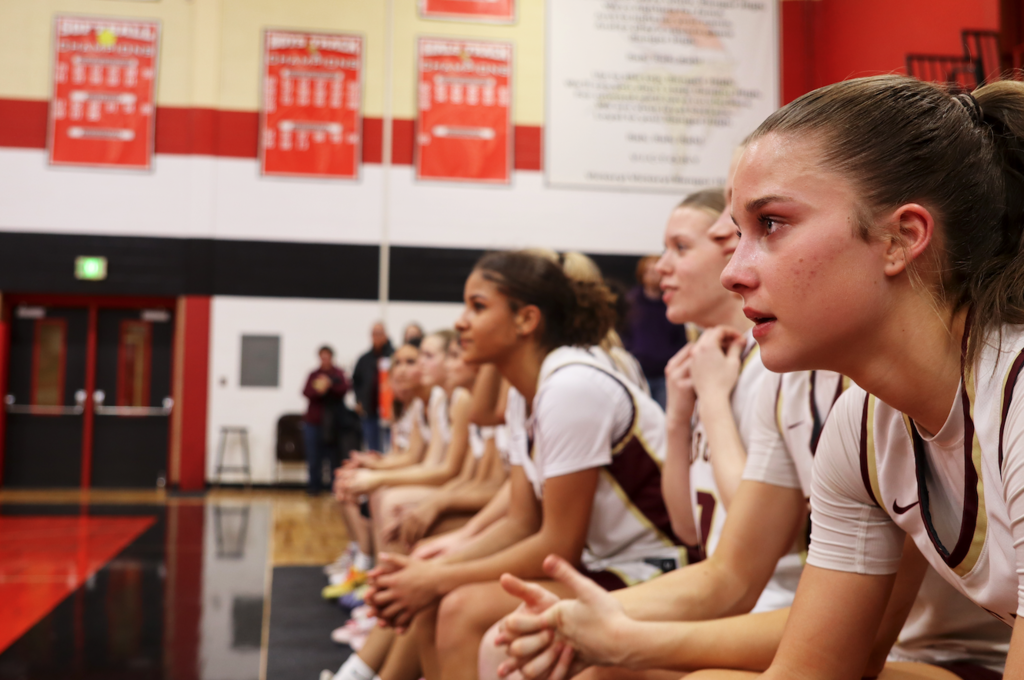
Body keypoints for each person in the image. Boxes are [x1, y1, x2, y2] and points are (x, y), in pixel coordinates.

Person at [706, 75, 1024, 679]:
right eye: (736, 232)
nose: (733, 273)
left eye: (770, 223)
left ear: (901, 239)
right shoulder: (861, 428)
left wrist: (623, 641)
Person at [362, 251, 689, 680]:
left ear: (526, 320)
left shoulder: (570, 386)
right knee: (437, 593)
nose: (461, 321)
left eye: (477, 307)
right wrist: (432, 573)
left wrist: (437, 577)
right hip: (602, 562)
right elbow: (519, 520)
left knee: (459, 605)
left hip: (658, 568)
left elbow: (557, 545)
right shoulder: (523, 393)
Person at [622, 255, 690, 409]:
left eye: (656, 271)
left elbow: (680, 338)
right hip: (637, 372)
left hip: (665, 374)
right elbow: (623, 334)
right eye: (649, 271)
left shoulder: (673, 303)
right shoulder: (631, 302)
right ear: (642, 275)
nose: (654, 275)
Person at [302, 345, 351, 495]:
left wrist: (330, 385)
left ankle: (333, 487)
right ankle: (314, 487)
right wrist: (319, 389)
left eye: (327, 357)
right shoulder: (313, 374)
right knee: (313, 457)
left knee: (333, 457)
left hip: (333, 424)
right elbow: (306, 392)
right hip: (313, 422)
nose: (324, 360)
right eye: (322, 357)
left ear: (331, 357)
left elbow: (345, 388)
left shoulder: (338, 374)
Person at [353, 323, 394, 453]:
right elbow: (356, 381)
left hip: (390, 411)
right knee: (373, 449)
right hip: (370, 411)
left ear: (386, 335)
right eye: (374, 334)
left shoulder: (394, 356)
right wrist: (359, 401)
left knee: (390, 448)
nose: (377, 337)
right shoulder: (364, 359)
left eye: (380, 333)